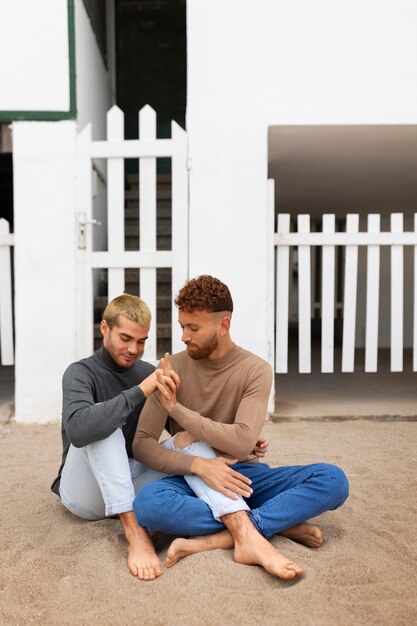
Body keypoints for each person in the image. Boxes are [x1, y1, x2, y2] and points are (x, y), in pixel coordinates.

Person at [132, 275, 349, 580]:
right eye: (182, 326)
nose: (184, 336)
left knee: (333, 480)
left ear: (223, 325)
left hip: (245, 475)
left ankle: (228, 536)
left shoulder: (255, 370)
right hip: (192, 478)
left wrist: (176, 409)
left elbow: (240, 443)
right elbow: (142, 443)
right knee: (148, 505)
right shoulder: (172, 368)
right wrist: (198, 465)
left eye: (193, 328)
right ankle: (276, 524)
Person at [51, 293, 268, 581]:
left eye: (141, 341)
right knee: (103, 421)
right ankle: (134, 532)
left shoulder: (147, 372)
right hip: (84, 495)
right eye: (125, 338)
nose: (133, 349)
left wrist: (240, 442)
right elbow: (79, 431)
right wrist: (141, 390)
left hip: (129, 480)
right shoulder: (79, 373)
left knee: (188, 439)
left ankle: (243, 525)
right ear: (105, 328)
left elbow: (178, 431)